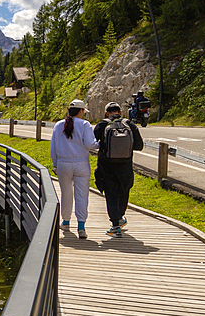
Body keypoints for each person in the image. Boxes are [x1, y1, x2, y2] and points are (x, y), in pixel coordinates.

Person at [50, 99, 99, 238]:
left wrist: (55, 164)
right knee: (82, 195)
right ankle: (81, 226)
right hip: (81, 163)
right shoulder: (84, 124)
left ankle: (65, 221)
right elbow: (90, 144)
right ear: (81, 111)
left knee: (66, 193)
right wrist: (98, 145)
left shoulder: (59, 125)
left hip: (63, 164)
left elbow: (53, 147)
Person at [94, 101, 144, 236]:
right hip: (125, 165)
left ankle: (115, 224)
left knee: (111, 195)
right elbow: (139, 145)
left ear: (106, 113)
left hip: (107, 166)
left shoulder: (102, 124)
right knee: (124, 191)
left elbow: (92, 143)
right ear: (120, 112)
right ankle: (120, 216)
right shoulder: (130, 125)